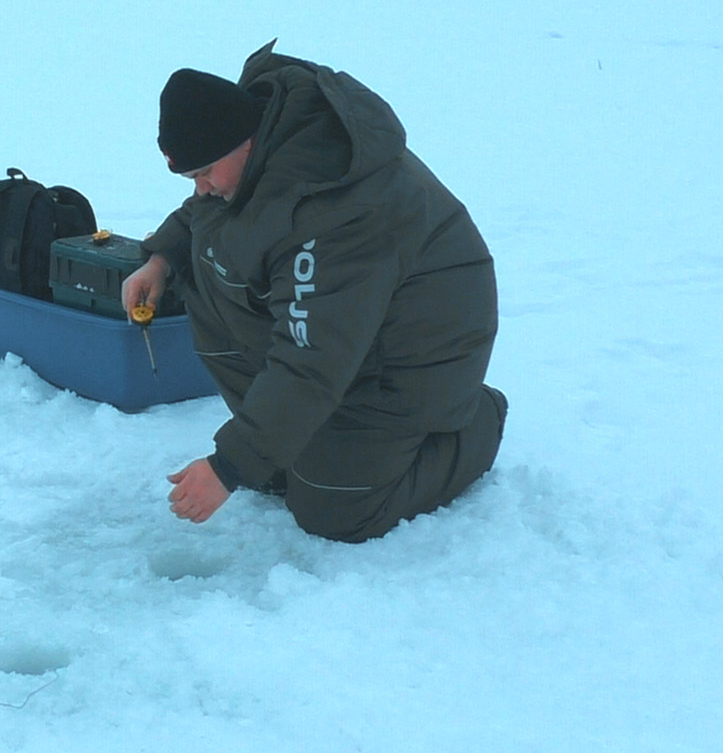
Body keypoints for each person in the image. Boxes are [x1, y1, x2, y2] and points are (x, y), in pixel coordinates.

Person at [122, 42, 507, 543]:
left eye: (203, 173)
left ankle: (479, 422)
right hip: (353, 335)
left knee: (333, 511)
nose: (201, 189)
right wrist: (162, 258)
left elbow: (312, 358)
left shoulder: (331, 205)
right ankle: (293, 446)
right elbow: (207, 216)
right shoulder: (258, 155)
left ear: (243, 141)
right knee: (205, 267)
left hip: (418, 355)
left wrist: (229, 465)